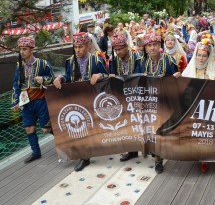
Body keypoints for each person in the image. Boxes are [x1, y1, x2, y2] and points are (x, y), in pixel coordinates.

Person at [53, 32, 109, 171]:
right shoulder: (70, 61)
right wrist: (60, 78)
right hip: (76, 99)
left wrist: (100, 75)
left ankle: (91, 151)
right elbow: (68, 77)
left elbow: (109, 75)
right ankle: (85, 157)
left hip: (93, 98)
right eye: (75, 47)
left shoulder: (96, 60)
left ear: (88, 46)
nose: (77, 50)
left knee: (92, 126)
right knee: (80, 126)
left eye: (81, 46)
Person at [136, 31, 180, 174]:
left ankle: (159, 160)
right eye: (149, 45)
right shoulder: (141, 62)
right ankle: (154, 151)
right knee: (150, 129)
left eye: (154, 44)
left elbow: (177, 81)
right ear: (145, 47)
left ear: (160, 45)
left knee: (160, 129)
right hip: (147, 102)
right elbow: (135, 80)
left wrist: (171, 77)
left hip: (164, 102)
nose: (152, 48)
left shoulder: (169, 61)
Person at [182, 38, 215, 173]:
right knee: (194, 133)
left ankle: (204, 159)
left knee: (205, 134)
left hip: (208, 108)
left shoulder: (213, 70)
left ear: (208, 56)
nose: (201, 58)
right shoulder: (189, 69)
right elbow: (181, 88)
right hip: (192, 107)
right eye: (199, 55)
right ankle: (196, 155)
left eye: (204, 55)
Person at [11, 36, 55, 163]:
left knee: (46, 129)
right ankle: (36, 152)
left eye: (24, 49)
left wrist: (43, 79)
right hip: (26, 103)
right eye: (20, 49)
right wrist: (15, 102)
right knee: (29, 128)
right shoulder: (19, 66)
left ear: (32, 49)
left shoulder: (43, 63)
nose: (22, 52)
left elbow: (53, 79)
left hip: (41, 101)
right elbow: (16, 84)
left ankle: (63, 140)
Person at [109, 33, 142, 162]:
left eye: (120, 49)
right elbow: (112, 75)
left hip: (137, 95)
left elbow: (140, 76)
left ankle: (148, 148)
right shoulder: (113, 60)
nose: (118, 52)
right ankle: (132, 150)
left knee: (141, 122)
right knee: (127, 124)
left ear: (127, 46)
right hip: (122, 96)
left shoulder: (137, 58)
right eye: (116, 50)